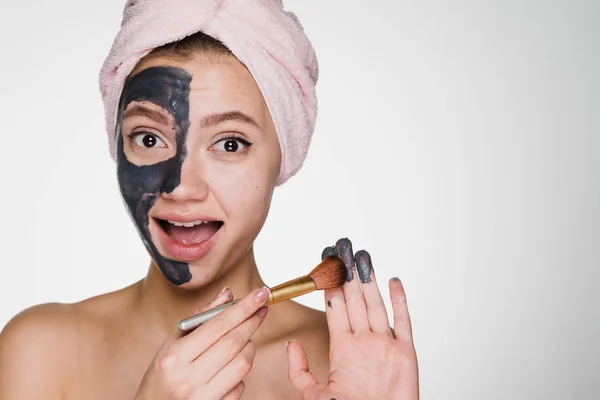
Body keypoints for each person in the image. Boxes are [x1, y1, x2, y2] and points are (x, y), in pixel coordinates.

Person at [0, 1, 419, 399]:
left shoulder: (348, 361)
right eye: (149, 138)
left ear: (285, 156)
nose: (181, 187)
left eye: (230, 144)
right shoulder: (40, 350)